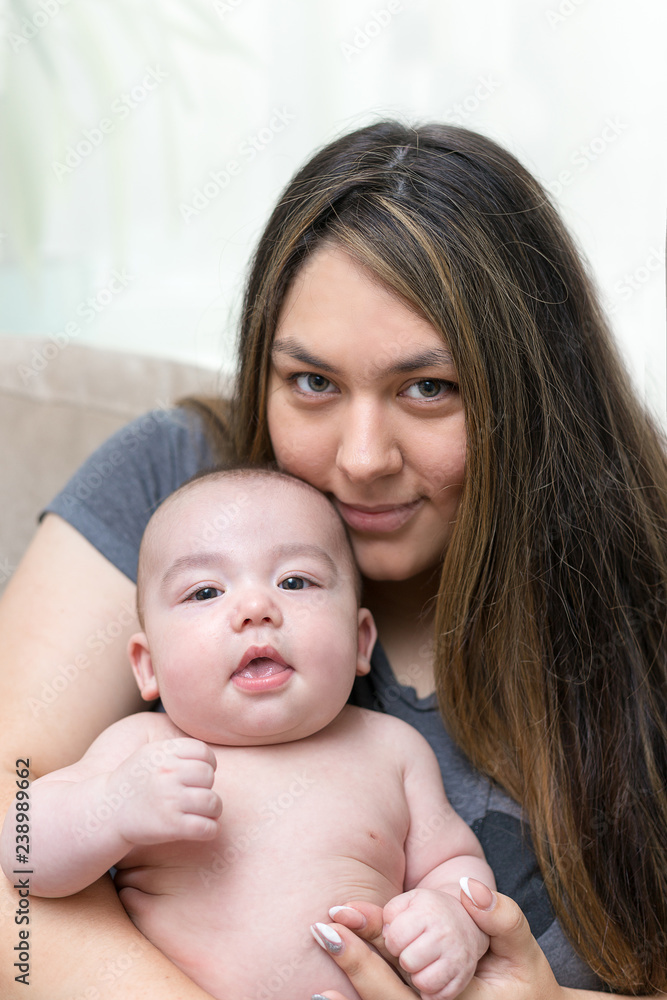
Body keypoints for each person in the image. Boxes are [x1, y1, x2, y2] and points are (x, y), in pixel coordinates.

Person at [0, 119, 665, 999]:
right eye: (311, 382)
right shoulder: (182, 487)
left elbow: (451, 885)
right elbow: (10, 830)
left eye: (428, 388)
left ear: (531, 394)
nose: (360, 458)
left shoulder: (400, 750)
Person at [1, 467, 495, 1000]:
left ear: (359, 640)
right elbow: (21, 854)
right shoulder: (142, 749)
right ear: (148, 666)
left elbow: (453, 862)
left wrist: (450, 918)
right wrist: (110, 807)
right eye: (206, 591)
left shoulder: (393, 750)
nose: (256, 609)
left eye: (294, 581)